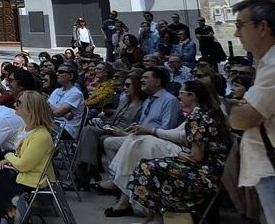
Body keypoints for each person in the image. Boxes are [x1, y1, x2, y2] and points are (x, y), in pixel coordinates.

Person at [126, 79, 232, 224]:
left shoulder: (198, 117)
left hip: (207, 173)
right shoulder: (207, 113)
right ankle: (159, 218)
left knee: (146, 168)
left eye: (181, 93)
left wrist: (179, 154)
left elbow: (196, 157)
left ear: (192, 96)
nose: (178, 96)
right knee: (147, 166)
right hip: (212, 167)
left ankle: (160, 218)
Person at [0, 90, 55, 224]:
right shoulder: (26, 128)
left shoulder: (41, 136)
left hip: (32, 180)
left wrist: (7, 156)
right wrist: (8, 159)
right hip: (24, 174)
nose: (14, 104)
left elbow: (23, 164)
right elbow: (20, 154)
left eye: (19, 102)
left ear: (30, 109)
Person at [96, 66, 185, 195]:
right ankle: (116, 180)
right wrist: (133, 128)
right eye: (142, 77)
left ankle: (120, 183)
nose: (142, 80)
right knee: (109, 142)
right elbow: (143, 122)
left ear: (157, 81)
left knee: (125, 142)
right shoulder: (148, 99)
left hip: (157, 140)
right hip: (141, 135)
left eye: (146, 77)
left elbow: (167, 129)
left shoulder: (169, 101)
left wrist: (145, 130)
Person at [230, 0, 275, 224]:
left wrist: (239, 111)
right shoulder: (266, 62)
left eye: (240, 26)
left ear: (263, 27)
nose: (237, 34)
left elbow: (245, 118)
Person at [76, 72, 146, 185]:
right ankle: (87, 169)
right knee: (87, 130)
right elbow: (114, 117)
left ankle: (86, 173)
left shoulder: (143, 105)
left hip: (125, 133)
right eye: (124, 85)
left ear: (137, 87)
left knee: (101, 139)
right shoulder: (124, 101)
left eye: (128, 85)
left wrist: (121, 132)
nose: (124, 88)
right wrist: (108, 125)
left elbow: (138, 125)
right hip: (113, 129)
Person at [49, 63, 85, 140]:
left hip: (67, 129)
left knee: (38, 127)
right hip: (54, 123)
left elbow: (56, 113)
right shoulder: (56, 91)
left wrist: (53, 109)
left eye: (61, 72)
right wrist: (64, 114)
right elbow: (46, 106)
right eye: (57, 72)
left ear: (71, 76)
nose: (57, 74)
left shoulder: (76, 93)